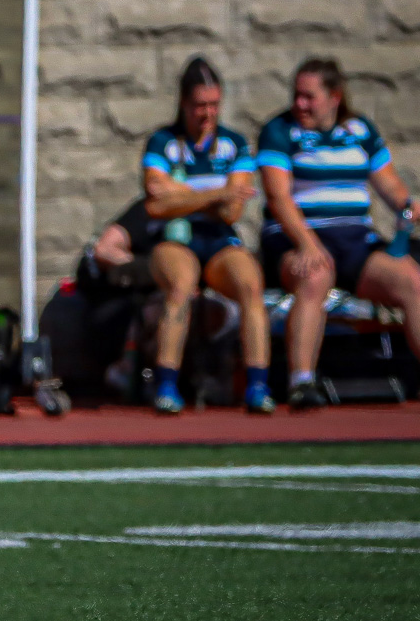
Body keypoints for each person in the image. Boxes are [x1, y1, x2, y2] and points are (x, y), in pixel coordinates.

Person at [258, 58, 420, 410]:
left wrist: (408, 207)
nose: (300, 104)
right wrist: (307, 243)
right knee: (315, 276)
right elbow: (278, 196)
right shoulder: (280, 131)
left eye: (309, 97)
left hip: (355, 241)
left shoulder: (360, 130)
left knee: (411, 280)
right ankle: (302, 381)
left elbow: (390, 185)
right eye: (297, 95)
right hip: (297, 237)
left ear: (334, 97)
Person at [140, 58, 271, 414]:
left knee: (250, 284)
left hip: (218, 240)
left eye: (214, 104)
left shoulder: (234, 144)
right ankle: (167, 385)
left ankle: (258, 385)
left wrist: (179, 194)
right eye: (200, 105)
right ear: (184, 103)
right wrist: (217, 193)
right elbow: (155, 204)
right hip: (174, 239)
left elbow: (232, 212)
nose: (208, 113)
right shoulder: (163, 142)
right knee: (181, 286)